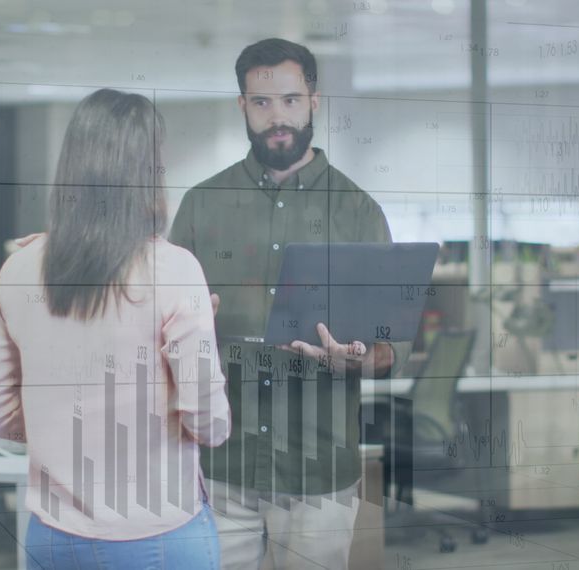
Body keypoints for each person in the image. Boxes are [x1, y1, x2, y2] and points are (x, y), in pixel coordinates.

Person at [168, 38, 410, 569]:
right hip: (219, 465)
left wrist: (358, 357)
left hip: (318, 467)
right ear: (242, 107)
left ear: (314, 101)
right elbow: (157, 330)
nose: (277, 117)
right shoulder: (200, 205)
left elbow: (394, 347)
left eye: (290, 100)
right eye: (261, 103)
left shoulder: (358, 212)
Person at [0, 88, 231, 570]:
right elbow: (210, 424)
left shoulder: (21, 266)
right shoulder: (174, 269)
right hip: (158, 534)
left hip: (53, 536)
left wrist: (60, 432)